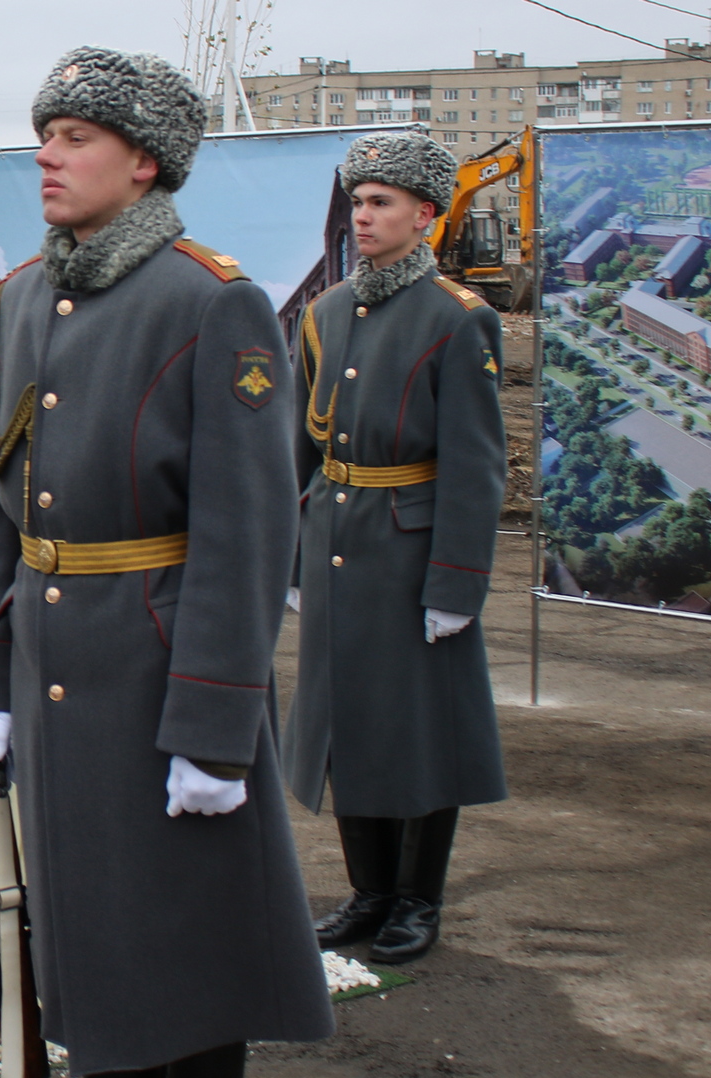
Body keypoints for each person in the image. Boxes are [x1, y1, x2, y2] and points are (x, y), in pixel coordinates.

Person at [0, 48, 334, 1078]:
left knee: (187, 960)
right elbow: (3, 497)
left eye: (73, 135)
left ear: (146, 161)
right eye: (40, 134)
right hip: (60, 676)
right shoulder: (20, 301)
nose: (45, 155)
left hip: (166, 674)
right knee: (96, 955)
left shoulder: (211, 305)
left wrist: (213, 727)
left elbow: (247, 534)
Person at [284, 131, 509, 965]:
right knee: (350, 725)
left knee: (417, 732)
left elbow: (477, 465)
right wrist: (292, 557)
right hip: (338, 540)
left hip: (411, 552)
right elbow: (297, 448)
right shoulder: (326, 313)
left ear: (424, 215)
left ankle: (419, 899)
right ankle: (370, 891)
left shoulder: (458, 319)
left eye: (382, 204)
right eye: (359, 203)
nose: (366, 218)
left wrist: (456, 582)